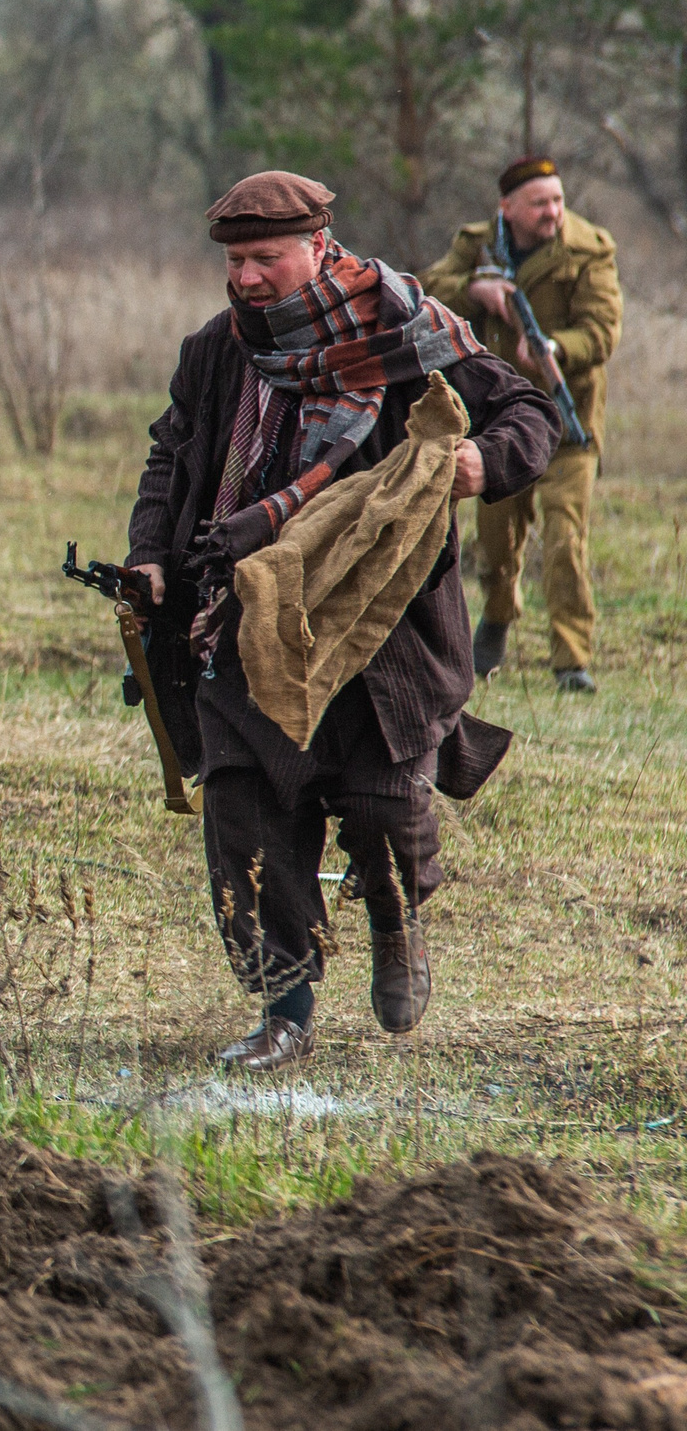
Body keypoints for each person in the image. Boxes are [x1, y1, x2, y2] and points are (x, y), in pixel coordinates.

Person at [127, 171, 555, 1072]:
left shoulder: (406, 335)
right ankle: (285, 1009)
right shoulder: (216, 352)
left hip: (380, 631)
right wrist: (151, 556)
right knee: (242, 811)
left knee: (382, 805)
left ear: (318, 248)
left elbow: (529, 412)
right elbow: (172, 455)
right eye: (235, 259)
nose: (244, 277)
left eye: (264, 258)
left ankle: (398, 929)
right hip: (244, 618)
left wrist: (481, 460)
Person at [422, 154, 623, 695]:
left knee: (565, 534)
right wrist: (477, 292)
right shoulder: (480, 244)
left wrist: (555, 347)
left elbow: (603, 330)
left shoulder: (589, 249)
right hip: (498, 419)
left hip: (567, 416)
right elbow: (426, 289)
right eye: (540, 203)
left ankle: (571, 659)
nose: (553, 213)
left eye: (558, 200)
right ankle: (497, 617)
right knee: (496, 536)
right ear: (506, 208)